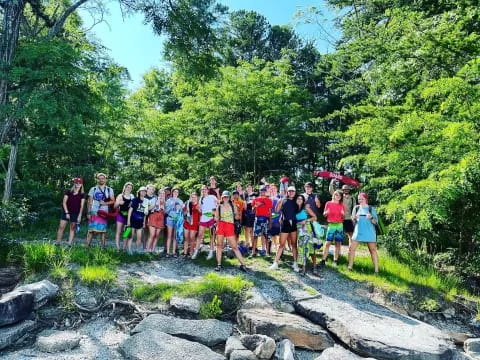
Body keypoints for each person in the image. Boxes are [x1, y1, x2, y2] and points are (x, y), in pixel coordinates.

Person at [214, 191, 248, 272]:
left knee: (234, 247)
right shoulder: (219, 206)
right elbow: (216, 218)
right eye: (224, 197)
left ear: (229, 198)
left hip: (229, 226)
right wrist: (215, 215)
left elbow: (237, 217)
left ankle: (243, 265)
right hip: (221, 226)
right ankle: (218, 265)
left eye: (227, 197)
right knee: (219, 246)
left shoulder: (233, 205)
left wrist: (237, 215)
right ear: (222, 197)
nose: (225, 198)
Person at [349, 193, 379, 274]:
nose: (360, 201)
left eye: (362, 199)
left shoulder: (371, 208)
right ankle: (350, 267)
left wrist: (371, 217)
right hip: (358, 231)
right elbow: (353, 222)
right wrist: (354, 218)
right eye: (359, 199)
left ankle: (376, 271)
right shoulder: (356, 208)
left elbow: (376, 222)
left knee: (372, 250)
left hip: (370, 232)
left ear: (366, 199)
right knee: (351, 249)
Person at [270, 186, 299, 271]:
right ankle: (275, 263)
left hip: (293, 223)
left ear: (295, 192)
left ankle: (295, 263)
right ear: (287, 192)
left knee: (294, 244)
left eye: (293, 191)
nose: (291, 192)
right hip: (285, 223)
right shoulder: (283, 200)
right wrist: (279, 202)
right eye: (289, 191)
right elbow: (277, 210)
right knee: (281, 244)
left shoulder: (296, 201)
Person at [86, 173, 115, 249]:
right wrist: (88, 212)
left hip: (104, 213)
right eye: (100, 178)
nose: (101, 180)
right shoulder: (93, 189)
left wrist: (105, 203)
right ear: (97, 179)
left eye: (103, 178)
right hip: (94, 211)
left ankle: (103, 248)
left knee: (103, 231)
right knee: (91, 230)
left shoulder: (109, 189)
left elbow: (113, 201)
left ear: (105, 179)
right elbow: (89, 201)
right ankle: (87, 246)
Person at [56, 178, 85, 247]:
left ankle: (69, 244)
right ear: (74, 183)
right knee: (61, 227)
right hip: (66, 212)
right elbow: (64, 202)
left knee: (72, 228)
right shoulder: (68, 191)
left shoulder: (82, 194)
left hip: (75, 213)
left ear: (81, 184)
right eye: (77, 183)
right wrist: (66, 212)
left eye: (79, 183)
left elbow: (82, 206)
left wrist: (80, 215)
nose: (78, 184)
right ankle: (58, 243)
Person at [320, 190, 345, 267]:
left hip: (339, 225)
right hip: (331, 225)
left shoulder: (342, 205)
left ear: (341, 198)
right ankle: (323, 260)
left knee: (338, 243)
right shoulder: (328, 203)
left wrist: (343, 215)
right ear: (333, 195)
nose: (337, 197)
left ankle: (335, 260)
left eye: (339, 196)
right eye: (336, 195)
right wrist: (326, 213)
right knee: (327, 243)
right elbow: (324, 214)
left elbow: (343, 217)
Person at [192, 185, 217, 259]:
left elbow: (217, 206)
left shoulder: (212, 197)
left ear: (207, 190)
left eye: (205, 189)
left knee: (211, 236)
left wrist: (214, 215)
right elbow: (201, 210)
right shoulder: (201, 199)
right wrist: (198, 208)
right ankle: (196, 252)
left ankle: (211, 252)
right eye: (202, 189)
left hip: (211, 218)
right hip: (203, 218)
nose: (203, 190)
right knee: (199, 236)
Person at [295, 194, 318, 276]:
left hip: (307, 229)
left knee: (311, 248)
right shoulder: (294, 208)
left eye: (301, 199)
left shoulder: (306, 208)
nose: (299, 200)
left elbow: (315, 217)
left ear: (303, 201)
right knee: (302, 249)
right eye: (298, 198)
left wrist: (307, 220)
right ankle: (303, 268)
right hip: (298, 230)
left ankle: (314, 266)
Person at [329, 180, 356, 248]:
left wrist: (354, 219)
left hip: (348, 218)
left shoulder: (352, 198)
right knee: (338, 236)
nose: (346, 191)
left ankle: (351, 250)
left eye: (347, 189)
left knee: (351, 235)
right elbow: (331, 191)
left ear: (349, 190)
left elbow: (355, 209)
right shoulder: (339, 197)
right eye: (344, 189)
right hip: (339, 219)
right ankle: (338, 252)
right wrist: (332, 182)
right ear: (342, 190)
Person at [251, 186, 272, 256]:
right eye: (261, 191)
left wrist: (270, 222)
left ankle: (267, 252)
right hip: (257, 219)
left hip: (265, 219)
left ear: (265, 192)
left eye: (264, 191)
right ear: (259, 191)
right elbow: (252, 211)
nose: (262, 192)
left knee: (266, 236)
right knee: (255, 236)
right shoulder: (256, 199)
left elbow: (270, 211)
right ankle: (253, 252)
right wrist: (255, 206)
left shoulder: (269, 200)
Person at [126, 186, 148, 254]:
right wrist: (128, 221)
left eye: (145, 191)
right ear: (139, 192)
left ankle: (136, 250)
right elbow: (130, 211)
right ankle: (129, 251)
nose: (143, 192)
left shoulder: (146, 201)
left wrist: (144, 222)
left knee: (139, 238)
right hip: (132, 221)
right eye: (142, 191)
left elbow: (145, 213)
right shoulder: (135, 200)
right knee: (130, 236)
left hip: (140, 222)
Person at [114, 182, 134, 251]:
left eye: (130, 188)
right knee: (118, 232)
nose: (128, 189)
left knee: (126, 232)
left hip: (128, 217)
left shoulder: (132, 197)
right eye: (127, 187)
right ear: (124, 188)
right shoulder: (120, 195)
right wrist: (119, 203)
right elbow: (114, 206)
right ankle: (117, 248)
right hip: (120, 215)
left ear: (131, 189)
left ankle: (124, 248)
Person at [165, 188, 184, 257]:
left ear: (178, 193)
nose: (176, 193)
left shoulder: (180, 201)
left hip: (177, 220)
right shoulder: (168, 200)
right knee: (169, 236)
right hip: (170, 219)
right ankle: (167, 252)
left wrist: (180, 208)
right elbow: (166, 211)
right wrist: (171, 206)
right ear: (172, 192)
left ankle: (173, 252)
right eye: (174, 191)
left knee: (175, 236)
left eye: (177, 192)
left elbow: (182, 212)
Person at [146, 186, 165, 253]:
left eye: (163, 193)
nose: (162, 194)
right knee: (152, 234)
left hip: (161, 218)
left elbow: (167, 212)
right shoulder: (154, 199)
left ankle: (153, 250)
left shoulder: (166, 201)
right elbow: (148, 208)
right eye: (160, 193)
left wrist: (164, 209)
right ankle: (147, 251)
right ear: (158, 194)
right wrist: (155, 204)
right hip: (153, 216)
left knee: (157, 235)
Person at [183, 192, 200, 257]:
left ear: (197, 198)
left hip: (194, 224)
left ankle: (191, 252)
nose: (193, 198)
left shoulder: (199, 205)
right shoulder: (187, 204)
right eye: (192, 197)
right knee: (186, 238)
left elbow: (202, 214)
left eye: (194, 197)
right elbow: (183, 214)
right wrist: (186, 211)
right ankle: (185, 253)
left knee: (192, 238)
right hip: (187, 223)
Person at [268, 184, 282, 254]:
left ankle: (280, 250)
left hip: (279, 219)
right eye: (271, 189)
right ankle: (274, 246)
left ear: (277, 189)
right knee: (271, 235)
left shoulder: (280, 197)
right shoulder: (269, 198)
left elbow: (283, 208)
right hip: (271, 220)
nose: (273, 190)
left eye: (274, 188)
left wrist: (281, 217)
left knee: (280, 235)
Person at [243, 184, 256, 251]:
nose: (249, 188)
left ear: (252, 188)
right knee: (246, 229)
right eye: (248, 187)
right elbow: (244, 205)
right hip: (246, 213)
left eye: (250, 187)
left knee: (252, 230)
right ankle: (247, 243)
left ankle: (253, 244)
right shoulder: (244, 195)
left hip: (253, 213)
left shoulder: (255, 194)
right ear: (246, 188)